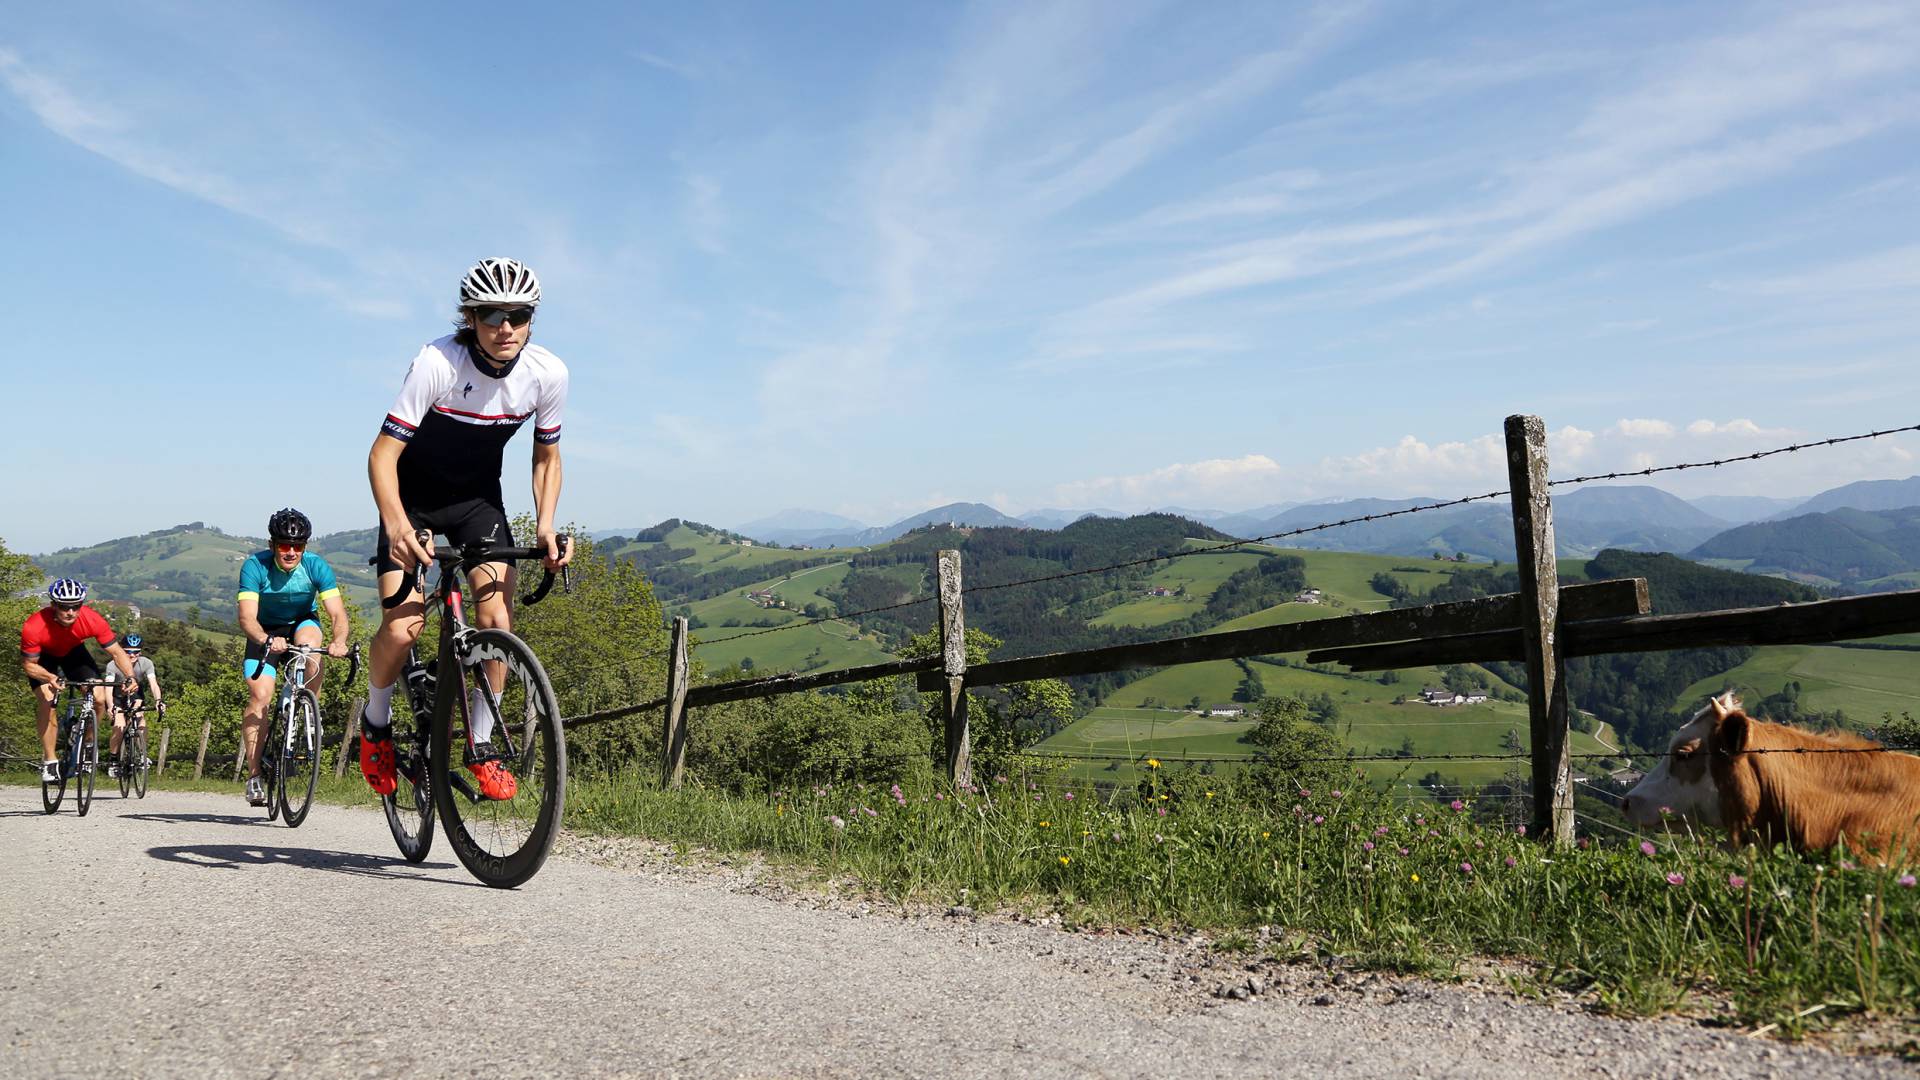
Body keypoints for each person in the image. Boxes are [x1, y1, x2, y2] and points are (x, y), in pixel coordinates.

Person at [361, 257, 572, 801]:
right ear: (470, 318)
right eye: (492, 315)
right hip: (414, 501)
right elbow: (383, 454)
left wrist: (546, 526)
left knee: (497, 618)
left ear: (531, 318)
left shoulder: (548, 374)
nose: (506, 327)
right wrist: (398, 524)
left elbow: (546, 458)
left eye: (519, 315)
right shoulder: (438, 363)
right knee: (403, 627)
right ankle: (376, 721)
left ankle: (482, 743)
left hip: (479, 502)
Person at [236, 508, 352, 806]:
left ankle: (306, 708)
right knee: (260, 697)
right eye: (284, 545)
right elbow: (247, 618)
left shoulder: (316, 566)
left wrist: (339, 641)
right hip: (264, 631)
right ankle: (253, 775)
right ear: (273, 544)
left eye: (298, 546)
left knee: (313, 647)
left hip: (302, 621)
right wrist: (265, 639)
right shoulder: (254, 566)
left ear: (305, 546)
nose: (291, 552)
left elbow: (337, 613)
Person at [20, 579, 137, 783]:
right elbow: (29, 665)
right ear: (53, 605)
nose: (71, 612)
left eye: (76, 606)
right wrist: (49, 677)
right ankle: (49, 762)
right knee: (48, 701)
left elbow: (117, 653)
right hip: (44, 660)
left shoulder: (92, 620)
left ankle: (88, 742)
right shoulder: (34, 625)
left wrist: (130, 677)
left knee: (99, 696)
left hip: (74, 654)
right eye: (65, 607)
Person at [103, 632, 164, 778]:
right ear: (122, 651)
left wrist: (158, 701)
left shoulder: (146, 663)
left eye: (136, 652)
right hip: (116, 696)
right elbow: (108, 688)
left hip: (136, 694)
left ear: (140, 652)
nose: (132, 656)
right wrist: (111, 706)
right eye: (128, 652)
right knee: (120, 726)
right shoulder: (113, 665)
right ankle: (113, 760)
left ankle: (141, 753)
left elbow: (153, 685)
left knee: (140, 718)